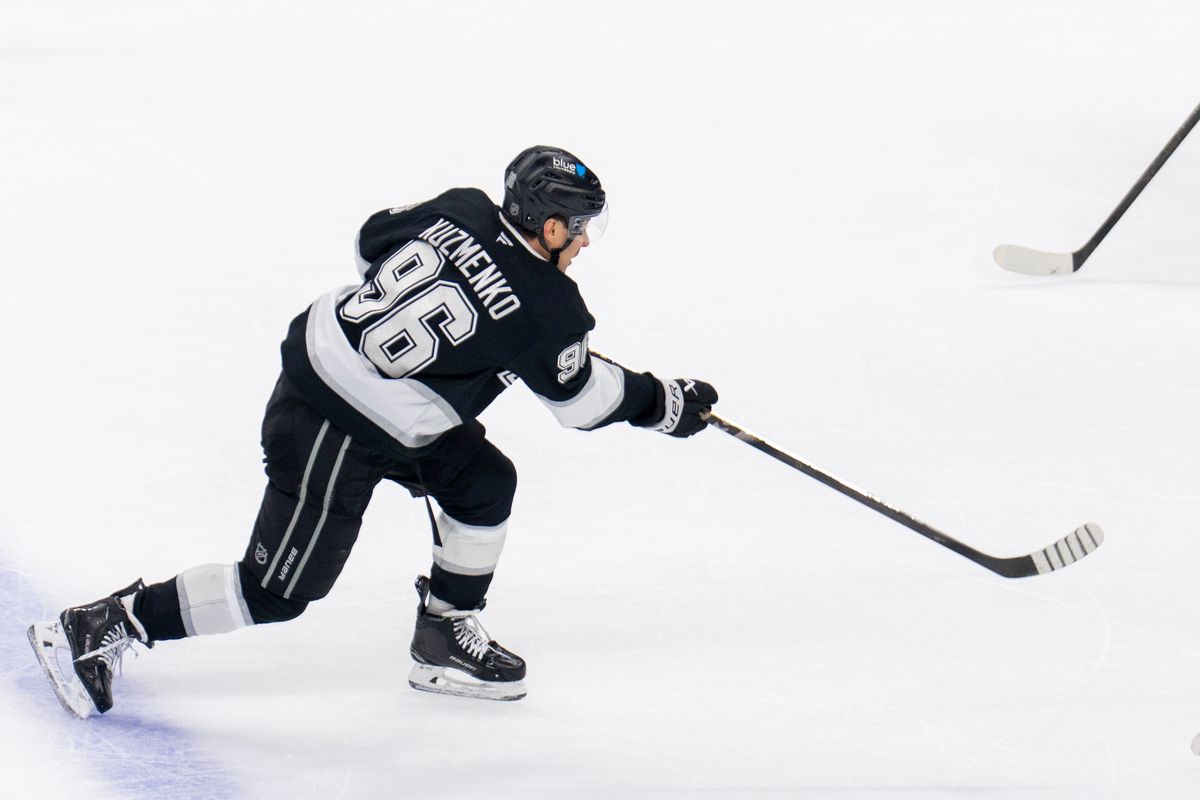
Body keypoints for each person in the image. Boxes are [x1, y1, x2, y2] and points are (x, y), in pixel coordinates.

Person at [27, 145, 719, 717]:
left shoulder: (463, 207)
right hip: (336, 424)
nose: (585, 239)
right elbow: (581, 402)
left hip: (362, 388)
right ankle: (105, 626)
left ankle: (443, 633)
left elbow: (368, 246)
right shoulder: (548, 308)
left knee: (484, 483)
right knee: (275, 591)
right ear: (544, 224)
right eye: (577, 224)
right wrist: (663, 402)